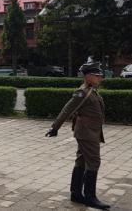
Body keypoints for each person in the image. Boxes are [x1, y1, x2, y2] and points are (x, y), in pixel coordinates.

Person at [45, 60, 110, 210]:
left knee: (81, 161)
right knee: (94, 162)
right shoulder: (82, 92)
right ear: (88, 77)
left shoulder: (91, 90)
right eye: (97, 75)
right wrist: (55, 128)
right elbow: (67, 109)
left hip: (91, 131)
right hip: (86, 132)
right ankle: (90, 197)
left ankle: (76, 193)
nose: (100, 78)